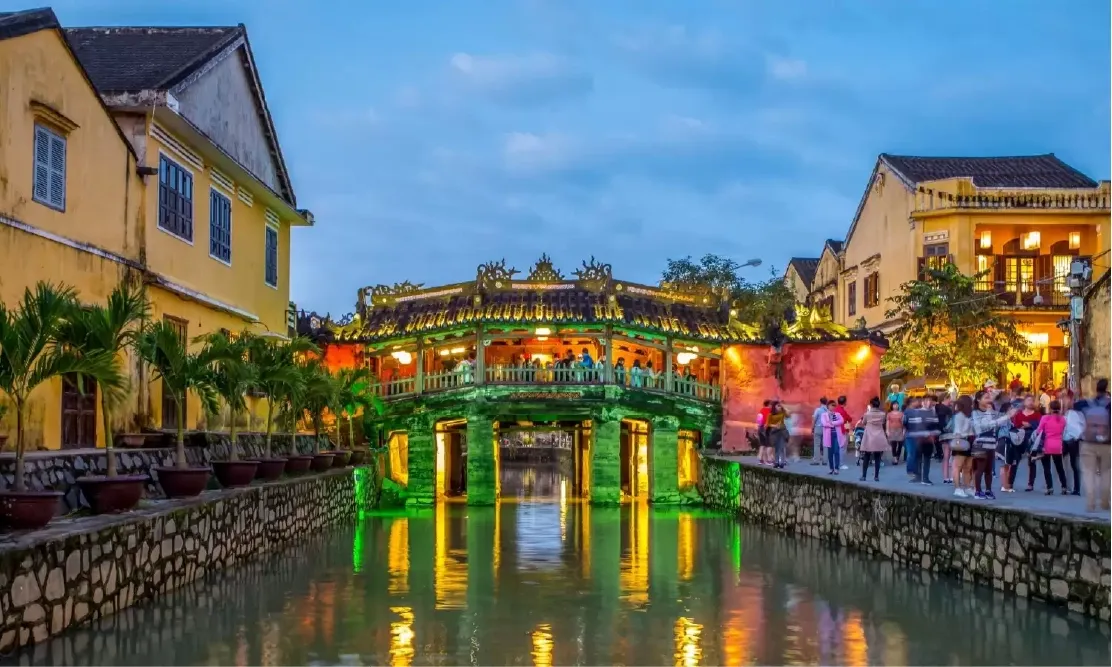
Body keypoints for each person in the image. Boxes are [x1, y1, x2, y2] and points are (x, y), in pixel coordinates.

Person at [972, 390, 1014, 500]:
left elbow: (997, 422)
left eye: (989, 398)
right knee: (980, 468)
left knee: (989, 469)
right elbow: (985, 426)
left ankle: (988, 490)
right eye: (986, 398)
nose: (988, 400)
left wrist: (1007, 416)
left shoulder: (991, 411)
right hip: (981, 443)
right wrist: (990, 413)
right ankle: (977, 491)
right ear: (978, 400)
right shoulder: (975, 413)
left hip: (991, 443)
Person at [1078, 378, 1110, 513]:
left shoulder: (1086, 403)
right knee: (1106, 473)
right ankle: (1104, 502)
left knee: (1088, 473)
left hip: (1088, 442)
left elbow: (1072, 407)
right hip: (1107, 443)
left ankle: (1090, 503)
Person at [1033, 400, 1068, 495]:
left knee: (1046, 468)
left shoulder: (1045, 418)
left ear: (1050, 408)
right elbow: (1064, 430)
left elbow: (1038, 430)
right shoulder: (1063, 419)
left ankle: (1050, 487)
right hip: (1058, 445)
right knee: (1059, 467)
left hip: (1047, 445)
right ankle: (1064, 487)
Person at [945, 395, 976, 497]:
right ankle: (957, 488)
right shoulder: (959, 416)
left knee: (968, 467)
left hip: (970, 440)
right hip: (962, 441)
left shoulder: (969, 415)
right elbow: (958, 432)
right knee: (957, 466)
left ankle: (967, 487)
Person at [1010, 396, 1042, 493]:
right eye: (1028, 400)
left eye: (1032, 400)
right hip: (1019, 439)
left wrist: (1030, 425)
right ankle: (1010, 483)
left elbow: (1039, 425)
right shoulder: (1019, 414)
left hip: (1031, 439)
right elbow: (1016, 425)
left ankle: (1030, 484)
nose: (1031, 402)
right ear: (1024, 402)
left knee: (1031, 462)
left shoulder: (1037, 414)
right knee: (1015, 460)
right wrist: (1026, 425)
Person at [904, 398, 939, 484]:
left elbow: (935, 425)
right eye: (926, 402)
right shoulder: (923, 413)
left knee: (924, 459)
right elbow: (911, 424)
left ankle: (923, 477)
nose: (928, 403)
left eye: (929, 402)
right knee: (920, 458)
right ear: (922, 403)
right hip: (921, 438)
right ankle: (921, 477)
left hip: (924, 438)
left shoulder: (931, 413)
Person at [858, 397, 888, 482]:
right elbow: (883, 423)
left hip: (869, 436)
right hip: (879, 436)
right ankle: (876, 476)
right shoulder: (883, 414)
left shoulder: (867, 414)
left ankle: (864, 476)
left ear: (871, 405)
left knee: (866, 456)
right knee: (877, 457)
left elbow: (863, 423)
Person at [1063, 396, 1085, 495]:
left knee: (1074, 464)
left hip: (1073, 441)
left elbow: (1082, 427)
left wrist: (1076, 436)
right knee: (1064, 464)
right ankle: (1066, 486)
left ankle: (1076, 488)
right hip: (1064, 440)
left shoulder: (1077, 414)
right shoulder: (1065, 414)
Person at [820, 405, 845, 474]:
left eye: (834, 406)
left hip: (836, 435)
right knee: (830, 452)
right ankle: (831, 468)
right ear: (828, 407)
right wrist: (832, 424)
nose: (832, 407)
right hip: (828, 436)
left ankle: (836, 468)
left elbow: (842, 421)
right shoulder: (824, 415)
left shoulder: (837, 414)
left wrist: (832, 423)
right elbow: (824, 423)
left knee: (837, 451)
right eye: (831, 406)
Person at [935, 394, 954, 482]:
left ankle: (946, 477)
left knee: (946, 456)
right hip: (949, 433)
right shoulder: (946, 409)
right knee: (949, 456)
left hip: (942, 434)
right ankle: (949, 476)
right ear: (946, 398)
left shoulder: (937, 408)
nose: (951, 400)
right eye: (950, 398)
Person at [767, 401, 789, 468]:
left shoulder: (782, 413)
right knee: (776, 448)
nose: (779, 407)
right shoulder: (770, 414)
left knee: (782, 447)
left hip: (782, 431)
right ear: (774, 407)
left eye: (780, 406)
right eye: (778, 406)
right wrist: (775, 425)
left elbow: (788, 415)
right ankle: (776, 462)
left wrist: (783, 407)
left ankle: (782, 462)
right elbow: (768, 424)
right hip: (774, 432)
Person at [833, 396, 852, 470]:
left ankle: (836, 462)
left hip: (835, 430)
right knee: (842, 447)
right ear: (845, 402)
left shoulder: (835, 409)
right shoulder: (842, 411)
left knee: (837, 447)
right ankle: (841, 464)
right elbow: (849, 419)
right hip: (842, 431)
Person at [811, 398, 829, 465]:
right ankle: (825, 461)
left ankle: (816, 460)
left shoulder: (818, 410)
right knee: (825, 445)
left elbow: (814, 419)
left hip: (818, 428)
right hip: (826, 429)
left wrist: (812, 428)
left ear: (820, 402)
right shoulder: (828, 411)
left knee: (817, 445)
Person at [756, 400, 772, 465]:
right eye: (771, 404)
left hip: (760, 428)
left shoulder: (761, 410)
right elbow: (769, 421)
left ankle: (761, 460)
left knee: (762, 444)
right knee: (768, 445)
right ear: (768, 404)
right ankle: (767, 460)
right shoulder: (769, 411)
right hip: (766, 429)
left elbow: (758, 421)